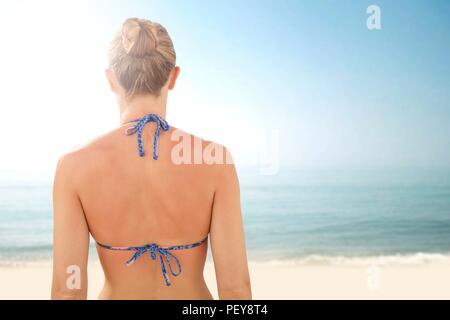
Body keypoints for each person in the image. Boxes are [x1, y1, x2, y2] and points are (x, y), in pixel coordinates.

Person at [51, 17, 251, 300]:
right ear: (173, 76)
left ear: (111, 79)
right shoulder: (215, 161)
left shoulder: (73, 168)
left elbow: (67, 290)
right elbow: (235, 289)